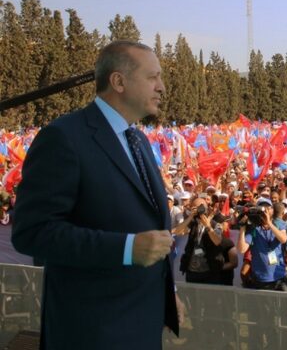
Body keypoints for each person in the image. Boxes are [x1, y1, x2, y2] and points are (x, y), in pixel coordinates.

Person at [11, 40, 181, 349]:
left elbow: (150, 224)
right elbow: (31, 232)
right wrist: (126, 248)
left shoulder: (139, 140)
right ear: (118, 81)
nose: (162, 87)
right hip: (91, 332)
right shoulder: (64, 138)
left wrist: (167, 296)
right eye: (152, 77)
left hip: (142, 325)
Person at [174, 197, 238, 285]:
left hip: (209, 272)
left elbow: (217, 241)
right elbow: (178, 232)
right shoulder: (193, 223)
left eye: (201, 206)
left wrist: (208, 226)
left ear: (207, 207)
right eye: (195, 207)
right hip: (191, 271)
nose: (199, 209)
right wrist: (191, 216)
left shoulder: (216, 224)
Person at [236, 198, 287, 291]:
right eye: (263, 208)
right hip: (261, 279)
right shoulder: (254, 228)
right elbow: (242, 249)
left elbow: (283, 239)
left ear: (273, 210)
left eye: (268, 208)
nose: (266, 210)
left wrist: (269, 223)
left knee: (284, 305)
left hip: (279, 277)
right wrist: (242, 228)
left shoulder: (279, 224)